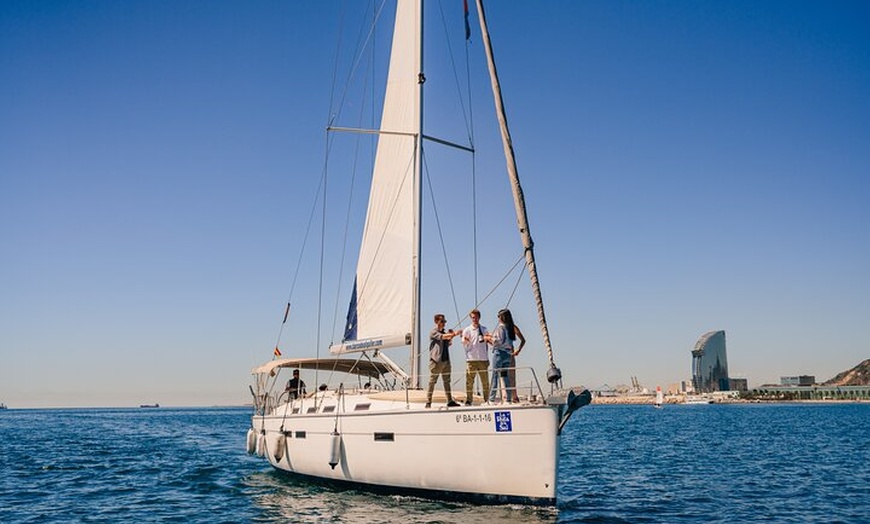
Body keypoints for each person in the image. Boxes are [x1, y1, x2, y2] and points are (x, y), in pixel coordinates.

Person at [486, 308, 523, 403]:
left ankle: (491, 400)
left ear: (502, 317)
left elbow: (498, 342)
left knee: (495, 376)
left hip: (499, 354)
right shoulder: (512, 327)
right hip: (508, 355)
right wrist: (518, 350)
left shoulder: (501, 328)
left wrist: (487, 338)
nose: (498, 318)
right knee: (505, 376)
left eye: (498, 316)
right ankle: (508, 399)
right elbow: (523, 340)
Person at [426, 313, 461, 408]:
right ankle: (428, 401)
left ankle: (449, 401)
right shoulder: (433, 332)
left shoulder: (445, 333)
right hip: (436, 361)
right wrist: (454, 334)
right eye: (442, 321)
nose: (444, 323)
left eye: (444, 321)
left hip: (446, 360)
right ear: (436, 322)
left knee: (447, 381)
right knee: (432, 381)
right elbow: (443, 337)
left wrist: (452, 336)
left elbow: (448, 342)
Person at [461, 308, 490, 406]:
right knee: (469, 381)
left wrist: (489, 338)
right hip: (471, 359)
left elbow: (489, 339)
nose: (475, 319)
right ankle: (469, 400)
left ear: (479, 317)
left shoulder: (484, 329)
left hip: (483, 359)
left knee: (485, 382)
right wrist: (466, 340)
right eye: (473, 317)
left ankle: (487, 400)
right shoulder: (467, 330)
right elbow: (463, 341)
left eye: (476, 317)